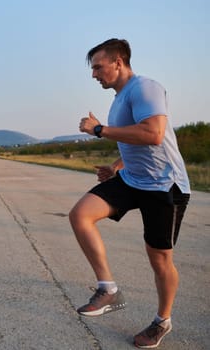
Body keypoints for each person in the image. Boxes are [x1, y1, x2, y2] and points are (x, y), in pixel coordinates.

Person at [69, 39, 190, 348]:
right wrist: (116, 166)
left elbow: (153, 134)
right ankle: (108, 289)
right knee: (80, 215)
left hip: (165, 186)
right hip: (132, 179)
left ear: (118, 62)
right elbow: (137, 143)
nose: (94, 74)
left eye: (98, 66)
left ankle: (163, 320)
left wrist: (99, 130)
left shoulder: (145, 88)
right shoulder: (121, 97)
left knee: (160, 259)